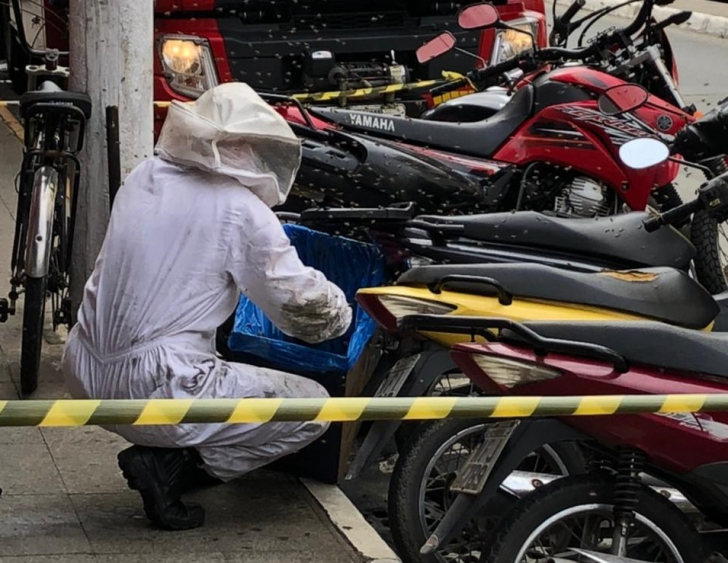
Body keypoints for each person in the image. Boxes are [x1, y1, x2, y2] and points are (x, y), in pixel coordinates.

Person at [61, 82, 353, 531]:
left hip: (83, 368)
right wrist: (347, 310)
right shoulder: (239, 210)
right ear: (237, 145)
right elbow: (302, 309)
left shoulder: (145, 176)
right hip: (159, 385)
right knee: (314, 409)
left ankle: (167, 451)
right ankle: (173, 469)